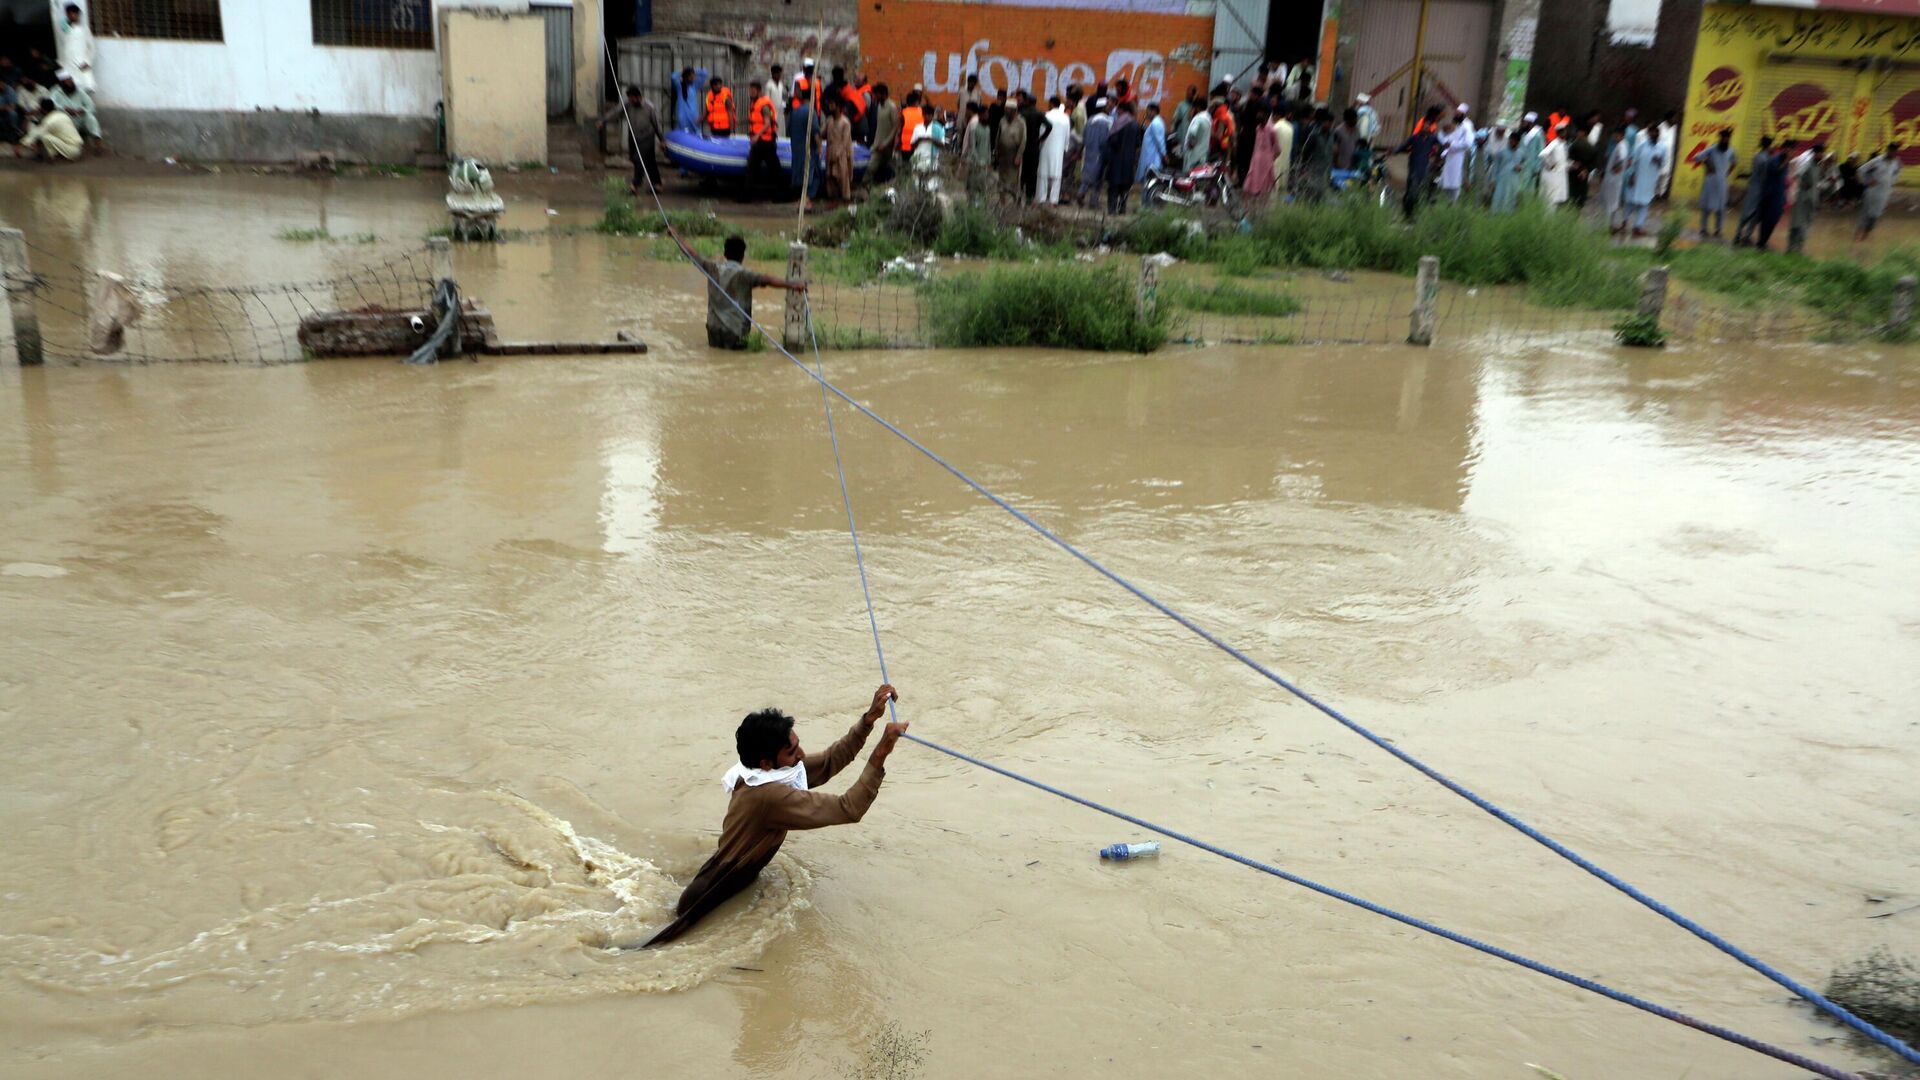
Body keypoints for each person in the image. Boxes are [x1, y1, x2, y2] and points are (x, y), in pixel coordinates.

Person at [642, 686, 905, 947]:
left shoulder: (766, 771)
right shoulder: (769, 796)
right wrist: (882, 751)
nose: (801, 755)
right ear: (767, 763)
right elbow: (850, 808)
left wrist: (868, 720)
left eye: (798, 746)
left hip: (728, 880)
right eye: (792, 752)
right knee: (652, 949)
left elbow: (828, 761)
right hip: (710, 894)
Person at [599, 84, 662, 194]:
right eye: (629, 99)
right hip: (634, 137)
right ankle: (657, 184)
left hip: (647, 138)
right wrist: (603, 121)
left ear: (638, 97)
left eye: (632, 98)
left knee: (639, 160)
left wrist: (662, 140)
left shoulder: (649, 107)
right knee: (648, 161)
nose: (631, 100)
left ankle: (635, 185)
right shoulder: (628, 105)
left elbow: (656, 124)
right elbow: (615, 113)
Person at [1392, 106, 1442, 217]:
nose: (1426, 127)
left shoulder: (1432, 138)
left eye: (1428, 126)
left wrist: (1438, 159)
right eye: (1425, 125)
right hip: (1414, 165)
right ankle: (1407, 213)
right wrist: (1394, 151)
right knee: (1412, 190)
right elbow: (1403, 146)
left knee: (1419, 190)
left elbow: (1442, 147)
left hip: (1424, 166)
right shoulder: (1415, 138)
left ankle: (1412, 214)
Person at [1691, 129, 1736, 240]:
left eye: (1727, 138)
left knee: (1721, 208)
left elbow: (1734, 162)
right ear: (1720, 138)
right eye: (1723, 138)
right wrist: (1706, 163)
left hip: (1722, 183)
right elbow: (1695, 157)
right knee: (1706, 207)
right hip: (1710, 182)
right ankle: (1703, 229)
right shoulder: (1712, 149)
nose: (1725, 140)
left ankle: (1718, 230)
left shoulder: (1731, 151)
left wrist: (1728, 173)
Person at [1733, 135, 1776, 246]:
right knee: (1751, 213)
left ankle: (1742, 235)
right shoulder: (1764, 159)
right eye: (1771, 145)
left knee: (1751, 213)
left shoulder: (1759, 156)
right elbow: (1764, 175)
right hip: (1758, 189)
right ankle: (1742, 236)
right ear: (1768, 146)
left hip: (1755, 188)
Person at [1104, 101, 1143, 214]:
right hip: (1129, 160)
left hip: (1117, 159)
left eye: (1118, 110)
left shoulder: (1118, 123)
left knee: (1114, 186)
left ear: (1122, 110)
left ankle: (1112, 210)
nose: (1117, 112)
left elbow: (1113, 141)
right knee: (1125, 186)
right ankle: (1122, 208)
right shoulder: (1135, 124)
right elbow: (1137, 143)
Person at [744, 79, 782, 197]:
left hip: (766, 142)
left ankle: (781, 194)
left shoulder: (764, 105)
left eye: (753, 90)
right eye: (750, 90)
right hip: (760, 143)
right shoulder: (755, 103)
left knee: (774, 169)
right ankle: (746, 195)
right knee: (752, 168)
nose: (751, 92)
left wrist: (756, 135)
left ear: (759, 91)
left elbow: (767, 123)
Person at [1856, 143, 1902, 240]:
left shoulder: (1896, 163)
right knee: (1866, 213)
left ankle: (1865, 236)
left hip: (1884, 193)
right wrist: (1867, 182)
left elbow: (1895, 176)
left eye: (1895, 150)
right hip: (1872, 191)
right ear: (1888, 150)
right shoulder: (1877, 161)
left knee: (1875, 215)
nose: (1893, 152)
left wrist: (1889, 191)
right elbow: (1861, 170)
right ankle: (1857, 236)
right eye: (1892, 150)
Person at [1624, 129, 1665, 236]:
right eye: (1651, 133)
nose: (1653, 135)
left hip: (1650, 181)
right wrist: (1631, 175)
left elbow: (1663, 164)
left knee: (1645, 204)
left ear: (1658, 134)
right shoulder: (1642, 146)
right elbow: (1634, 161)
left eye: (1655, 133)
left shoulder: (1662, 148)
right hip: (1637, 179)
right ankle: (1624, 223)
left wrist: (1659, 161)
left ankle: (1638, 227)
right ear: (1648, 135)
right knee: (1630, 202)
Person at [1787, 140, 1825, 254]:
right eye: (1821, 153)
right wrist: (1802, 184)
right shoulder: (1807, 163)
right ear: (1816, 153)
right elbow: (1797, 174)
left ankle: (1798, 249)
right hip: (1801, 198)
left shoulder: (1818, 165)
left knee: (1806, 224)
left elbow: (1819, 181)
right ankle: (1792, 248)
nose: (1822, 155)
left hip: (1811, 199)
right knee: (1797, 223)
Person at [18, 98, 83, 161]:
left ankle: (52, 157)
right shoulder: (63, 114)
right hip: (79, 149)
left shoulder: (49, 121)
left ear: (42, 109)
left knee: (44, 137)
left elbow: (35, 134)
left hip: (71, 151)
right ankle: (55, 155)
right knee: (48, 134)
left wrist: (20, 146)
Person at [787, 91, 822, 205]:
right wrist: (820, 147)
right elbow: (815, 132)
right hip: (808, 149)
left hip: (796, 149)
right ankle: (807, 199)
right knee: (813, 174)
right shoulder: (811, 112)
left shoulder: (795, 112)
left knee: (799, 173)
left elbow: (789, 131)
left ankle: (801, 198)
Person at [50, 69, 99, 145]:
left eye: (71, 80)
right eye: (68, 81)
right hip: (65, 120)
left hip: (79, 118)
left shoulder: (79, 92)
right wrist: (64, 109)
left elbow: (91, 105)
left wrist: (83, 110)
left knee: (90, 118)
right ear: (62, 83)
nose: (71, 82)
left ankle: (98, 143)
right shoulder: (56, 92)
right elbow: (51, 104)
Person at [1295, 106, 1334, 201]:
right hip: (1314, 171)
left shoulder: (1331, 136)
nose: (1329, 124)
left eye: (1331, 122)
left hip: (1326, 171)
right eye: (1327, 122)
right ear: (1323, 122)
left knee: (1322, 196)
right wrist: (1304, 168)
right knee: (1311, 196)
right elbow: (1305, 152)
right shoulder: (1314, 135)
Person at [1755, 142, 1789, 250]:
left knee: (1774, 220)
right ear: (1784, 149)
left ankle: (1764, 242)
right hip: (1769, 196)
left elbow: (1783, 180)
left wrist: (1784, 198)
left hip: (1778, 197)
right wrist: (1786, 162)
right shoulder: (1774, 160)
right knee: (1766, 220)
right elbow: (1776, 171)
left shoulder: (1786, 163)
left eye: (1792, 150)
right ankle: (1761, 243)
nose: (1791, 153)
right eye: (1789, 150)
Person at [995, 94, 1027, 203]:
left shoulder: (1021, 122)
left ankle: (1015, 200)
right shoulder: (1002, 120)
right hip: (1003, 155)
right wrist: (996, 152)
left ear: (1014, 110)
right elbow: (998, 137)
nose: (1005, 111)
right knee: (1002, 179)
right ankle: (1002, 201)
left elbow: (1023, 141)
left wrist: (1018, 156)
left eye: (1007, 109)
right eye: (1005, 109)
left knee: (1013, 180)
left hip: (1014, 156)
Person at [55, 3, 94, 92]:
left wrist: (88, 62)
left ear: (78, 15)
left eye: (74, 13)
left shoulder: (84, 29)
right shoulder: (63, 29)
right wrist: (61, 62)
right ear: (67, 14)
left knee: (85, 86)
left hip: (81, 63)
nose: (72, 16)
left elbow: (91, 47)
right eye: (69, 14)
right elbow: (61, 45)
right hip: (67, 63)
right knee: (69, 87)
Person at [866, 84, 900, 187]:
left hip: (886, 146)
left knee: (875, 167)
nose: (874, 97)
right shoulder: (879, 106)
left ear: (883, 94)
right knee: (875, 167)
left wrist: (885, 143)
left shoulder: (892, 107)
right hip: (877, 144)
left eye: (876, 94)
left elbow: (895, 128)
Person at [1080, 98, 1111, 208]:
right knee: (1098, 178)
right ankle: (1093, 201)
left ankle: (1081, 193)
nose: (1109, 108)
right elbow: (1106, 140)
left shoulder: (1090, 120)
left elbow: (1083, 138)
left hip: (1089, 152)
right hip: (1100, 153)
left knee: (1087, 175)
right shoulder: (1107, 121)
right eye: (1108, 106)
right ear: (1103, 108)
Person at [824, 97, 855, 203]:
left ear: (838, 107)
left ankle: (845, 200)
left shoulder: (845, 122)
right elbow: (821, 132)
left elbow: (845, 141)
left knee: (842, 177)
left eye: (832, 105)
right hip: (830, 150)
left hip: (841, 153)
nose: (830, 107)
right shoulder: (829, 120)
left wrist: (838, 153)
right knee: (830, 177)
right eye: (830, 105)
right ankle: (833, 200)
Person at [1243, 102, 1278, 198]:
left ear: (1266, 114)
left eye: (1260, 113)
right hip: (1254, 164)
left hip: (1265, 166)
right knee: (1247, 189)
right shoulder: (1258, 128)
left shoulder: (1272, 130)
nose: (1258, 115)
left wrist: (1269, 159)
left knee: (1263, 193)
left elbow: (1278, 149)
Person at [1491, 130, 1528, 212]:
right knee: (1499, 200)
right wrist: (1493, 180)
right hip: (1501, 181)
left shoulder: (1521, 153)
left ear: (1518, 142)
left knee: (1511, 201)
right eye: (1510, 140)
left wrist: (1521, 167)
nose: (1511, 142)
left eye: (1514, 141)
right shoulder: (1501, 152)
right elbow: (1495, 167)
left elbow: (1525, 163)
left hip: (1514, 182)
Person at [961, 102, 991, 201]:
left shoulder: (987, 128)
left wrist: (989, 161)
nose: (987, 116)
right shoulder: (974, 127)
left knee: (982, 186)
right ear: (980, 115)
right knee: (972, 185)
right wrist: (977, 162)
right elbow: (972, 147)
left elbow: (988, 146)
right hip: (975, 163)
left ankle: (981, 205)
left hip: (984, 162)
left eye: (988, 114)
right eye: (985, 114)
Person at [1437, 113, 1472, 201]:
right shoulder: (1454, 132)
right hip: (1448, 164)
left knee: (1454, 191)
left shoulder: (1465, 132)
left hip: (1458, 165)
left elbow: (1466, 144)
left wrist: (1452, 145)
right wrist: (1442, 131)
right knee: (1444, 190)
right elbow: (1444, 140)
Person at [1567, 122, 1601, 207]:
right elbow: (1594, 164)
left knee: (1571, 197)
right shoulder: (1593, 148)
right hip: (1584, 176)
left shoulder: (1575, 145)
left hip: (1573, 175)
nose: (1576, 133)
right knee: (1580, 199)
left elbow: (1570, 159)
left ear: (1583, 132)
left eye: (1578, 131)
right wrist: (1586, 171)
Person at [1538, 122, 1570, 207]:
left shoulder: (1564, 144)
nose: (1566, 133)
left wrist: (1569, 165)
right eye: (1564, 131)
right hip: (1552, 175)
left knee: (1555, 199)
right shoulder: (1554, 143)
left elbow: (1562, 160)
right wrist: (1550, 164)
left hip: (1560, 175)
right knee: (1550, 199)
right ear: (1561, 132)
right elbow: (1543, 154)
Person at [1135, 102, 1167, 186]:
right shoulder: (1155, 122)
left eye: (1148, 111)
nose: (1146, 113)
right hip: (1150, 156)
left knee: (1150, 183)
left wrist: (1164, 155)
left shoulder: (1156, 123)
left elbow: (1160, 142)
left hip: (1152, 158)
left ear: (1153, 111)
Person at [1170, 85, 1200, 168]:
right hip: (1182, 136)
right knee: (1180, 159)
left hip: (1193, 138)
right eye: (1188, 93)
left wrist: (1195, 104)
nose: (1188, 95)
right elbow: (1175, 120)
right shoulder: (1181, 105)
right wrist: (1173, 134)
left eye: (1191, 94)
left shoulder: (1197, 107)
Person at [1181, 97, 1210, 177]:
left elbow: (1192, 133)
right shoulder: (1208, 117)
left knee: (1188, 177)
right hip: (1202, 154)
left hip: (1193, 155)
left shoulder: (1198, 118)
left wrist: (1191, 144)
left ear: (1197, 107)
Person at [1271, 101, 1295, 198]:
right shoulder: (1290, 127)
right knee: (1282, 191)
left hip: (1274, 163)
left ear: (1276, 115)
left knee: (1272, 191)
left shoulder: (1275, 128)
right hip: (1286, 163)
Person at [674, 67, 707, 135]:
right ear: (685, 77)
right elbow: (673, 77)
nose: (693, 78)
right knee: (683, 134)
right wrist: (683, 71)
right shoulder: (679, 86)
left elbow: (704, 73)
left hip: (694, 115)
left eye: (693, 76)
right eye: (691, 76)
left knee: (696, 133)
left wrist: (693, 70)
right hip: (682, 116)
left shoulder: (694, 86)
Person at [1354, 92, 1380, 173]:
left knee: (1361, 160)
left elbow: (1363, 131)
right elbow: (1376, 128)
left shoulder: (1363, 114)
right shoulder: (1372, 112)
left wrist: (1362, 142)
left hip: (1363, 142)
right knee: (1368, 158)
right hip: (1370, 139)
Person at [1656, 109, 1678, 199]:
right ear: (1669, 118)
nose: (1675, 119)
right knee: (1658, 175)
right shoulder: (1660, 128)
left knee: (1666, 175)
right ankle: (1654, 194)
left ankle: (1661, 194)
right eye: (1674, 118)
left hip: (1669, 155)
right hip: (1660, 155)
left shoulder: (1674, 128)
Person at [1333, 107, 1359, 171]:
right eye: (1353, 119)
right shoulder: (1338, 131)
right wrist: (1336, 164)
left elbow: (1357, 145)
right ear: (1346, 119)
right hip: (1340, 165)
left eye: (1356, 118)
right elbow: (1335, 150)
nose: (1355, 121)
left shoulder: (1357, 130)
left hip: (1353, 165)